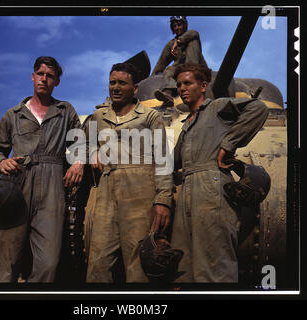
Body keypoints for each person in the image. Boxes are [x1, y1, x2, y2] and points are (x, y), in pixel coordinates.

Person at [0, 56, 84, 283]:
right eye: (40, 74)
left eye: (50, 76)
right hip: (16, 187)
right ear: (32, 77)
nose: (44, 79)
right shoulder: (13, 114)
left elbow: (80, 143)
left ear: (57, 81)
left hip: (52, 187)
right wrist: (1, 162)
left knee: (48, 263)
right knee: (7, 264)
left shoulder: (65, 111)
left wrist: (78, 162)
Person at [171, 63, 269, 282]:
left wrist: (228, 144)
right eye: (179, 85)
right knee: (183, 269)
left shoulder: (216, 108)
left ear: (203, 86)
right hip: (187, 189)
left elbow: (258, 108)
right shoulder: (186, 125)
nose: (182, 89)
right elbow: (172, 162)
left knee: (214, 266)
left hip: (211, 189)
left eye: (188, 83)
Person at [86, 62, 173, 283]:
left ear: (135, 89)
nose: (115, 87)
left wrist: (163, 200)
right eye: (112, 82)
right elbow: (82, 142)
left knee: (137, 263)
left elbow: (163, 159)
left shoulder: (150, 117)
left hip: (140, 190)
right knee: (98, 261)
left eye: (122, 83)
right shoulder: (98, 116)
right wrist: (93, 151)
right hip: (107, 191)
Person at [152, 16, 207, 107]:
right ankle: (168, 95)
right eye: (174, 26)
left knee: (192, 42)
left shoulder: (192, 36)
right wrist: (152, 77)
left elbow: (194, 33)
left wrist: (178, 42)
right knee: (169, 70)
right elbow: (161, 62)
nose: (177, 28)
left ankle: (190, 75)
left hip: (197, 67)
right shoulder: (171, 44)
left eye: (179, 24)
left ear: (184, 25)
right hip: (180, 68)